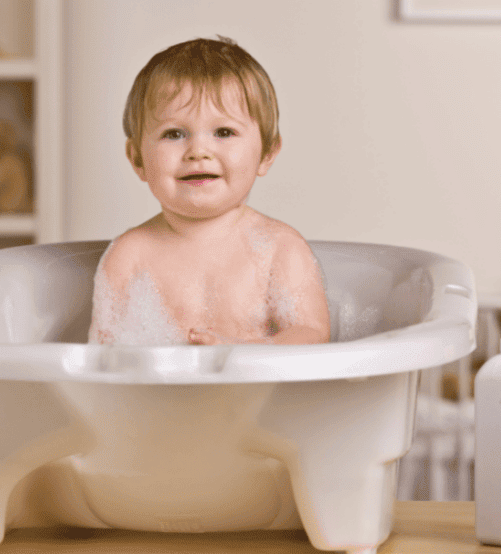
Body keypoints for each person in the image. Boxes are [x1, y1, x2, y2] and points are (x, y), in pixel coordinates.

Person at [88, 36, 330, 346]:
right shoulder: (129, 255)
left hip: (261, 393)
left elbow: (312, 334)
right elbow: (103, 360)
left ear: (267, 153)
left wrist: (242, 354)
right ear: (137, 159)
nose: (198, 150)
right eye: (173, 133)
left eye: (224, 132)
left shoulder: (278, 249)